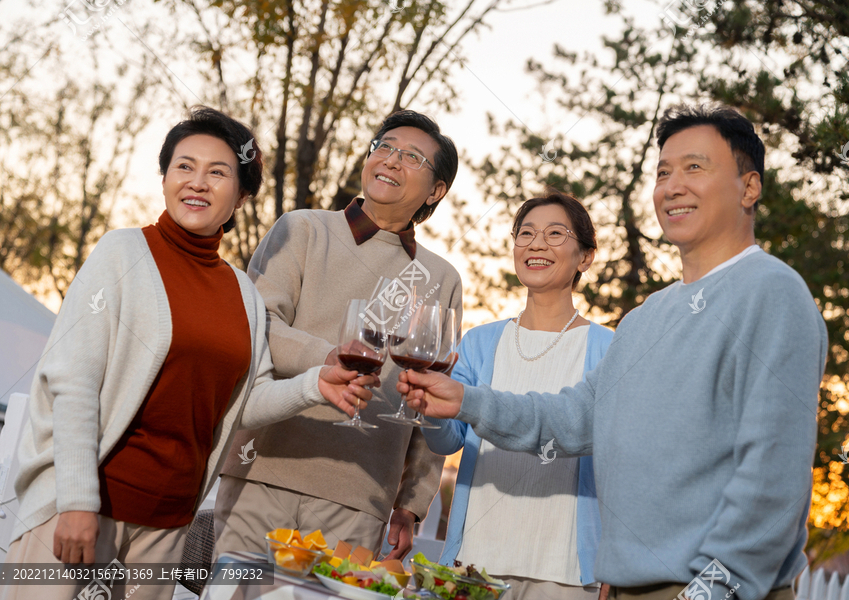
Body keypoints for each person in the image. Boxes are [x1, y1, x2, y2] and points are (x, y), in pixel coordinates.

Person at [400, 104, 827, 600]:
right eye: (663, 172)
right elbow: (572, 419)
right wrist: (465, 401)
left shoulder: (772, 293)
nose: (673, 185)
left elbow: (772, 477)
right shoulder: (646, 318)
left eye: (695, 167)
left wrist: (712, 593)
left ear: (749, 187)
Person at [1, 107, 375, 600]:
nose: (197, 182)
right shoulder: (121, 254)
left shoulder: (242, 292)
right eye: (184, 166)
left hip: (167, 524)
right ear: (164, 177)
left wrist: (312, 386)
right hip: (87, 510)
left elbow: (244, 401)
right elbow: (73, 384)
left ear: (240, 196)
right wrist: (75, 502)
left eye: (217, 172)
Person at [215, 110, 463, 559]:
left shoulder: (442, 278)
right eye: (383, 147)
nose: (390, 160)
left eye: (411, 157)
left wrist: (412, 503)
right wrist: (328, 357)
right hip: (264, 466)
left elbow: (430, 395)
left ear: (437, 189)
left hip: (362, 492)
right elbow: (257, 326)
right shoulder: (302, 229)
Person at [421, 190, 612, 600]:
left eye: (555, 233)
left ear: (586, 257)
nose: (536, 244)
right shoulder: (479, 342)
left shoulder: (608, 349)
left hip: (566, 575)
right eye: (525, 233)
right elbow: (447, 440)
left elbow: (620, 467)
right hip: (475, 564)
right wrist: (428, 410)